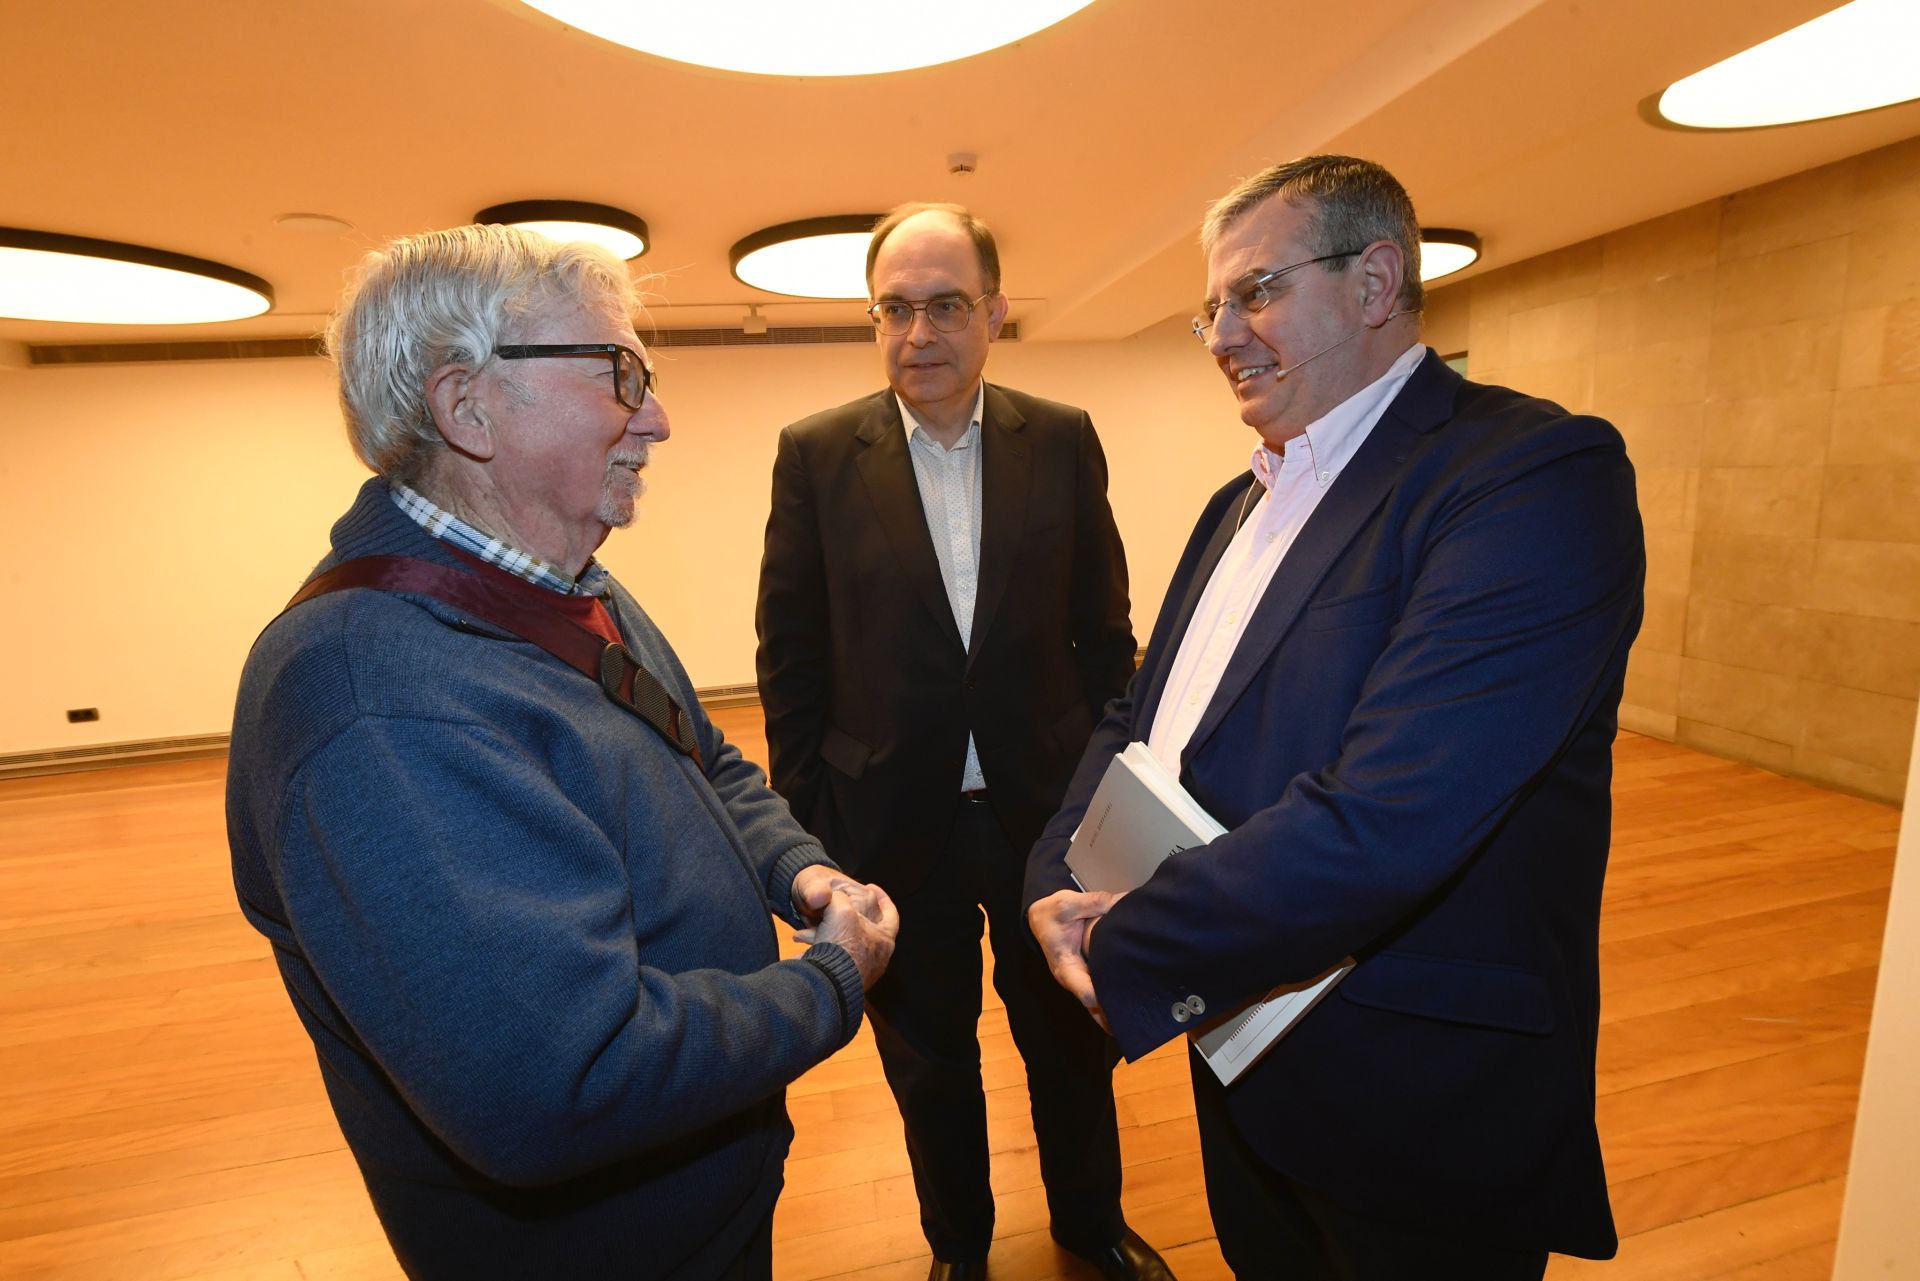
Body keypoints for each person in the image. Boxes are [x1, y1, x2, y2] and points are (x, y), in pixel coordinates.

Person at [227, 224, 898, 1281]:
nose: (659, 418)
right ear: (468, 406)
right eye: (619, 374)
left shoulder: (565, 582)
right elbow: (562, 1083)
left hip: (699, 1198)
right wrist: (830, 980)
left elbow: (701, 757)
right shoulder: (373, 701)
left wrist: (793, 869)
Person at [1026, 155, 1644, 1279]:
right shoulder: (1239, 499)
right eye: (1209, 307)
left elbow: (1394, 815)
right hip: (1243, 1052)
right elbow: (1140, 711)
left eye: (1255, 293)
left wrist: (1127, 942)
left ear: (1374, 281)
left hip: (1414, 1094)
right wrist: (1054, 875)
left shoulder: (1530, 474)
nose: (1221, 334)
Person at [755, 204, 1171, 1281]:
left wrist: (1102, 799)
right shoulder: (814, 456)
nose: (919, 333)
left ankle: (1087, 1226)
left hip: (1045, 818)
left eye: (945, 306)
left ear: (993, 312)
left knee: (1073, 1044)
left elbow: (1104, 633)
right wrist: (813, 829)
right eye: (894, 309)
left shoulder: (1064, 437)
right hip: (893, 825)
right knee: (929, 1065)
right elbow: (790, 657)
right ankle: (960, 1252)